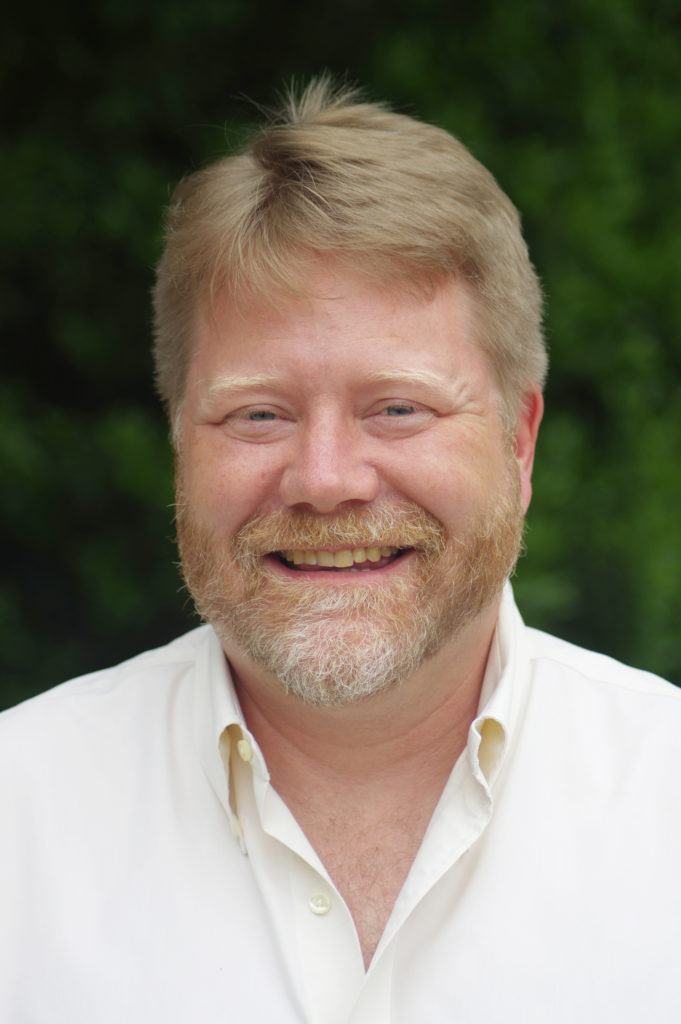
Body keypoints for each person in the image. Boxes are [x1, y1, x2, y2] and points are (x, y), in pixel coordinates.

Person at [1, 78, 680, 1024]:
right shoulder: (17, 818)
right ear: (179, 442)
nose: (324, 478)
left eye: (397, 407)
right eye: (258, 413)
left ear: (519, 444)